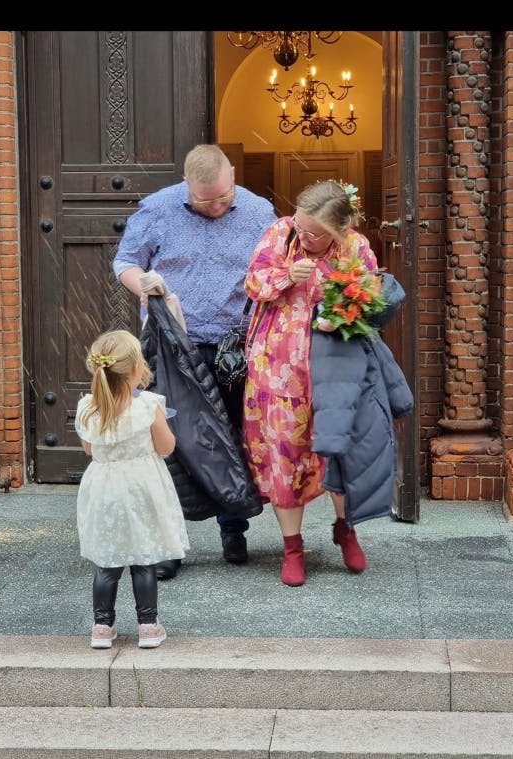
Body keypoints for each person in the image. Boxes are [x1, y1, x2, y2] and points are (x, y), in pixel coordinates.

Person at [113, 144, 277, 570]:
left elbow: (277, 270)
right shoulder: (157, 209)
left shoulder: (260, 212)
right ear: (186, 185)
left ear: (234, 175)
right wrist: (144, 283)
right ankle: (169, 543)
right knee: (170, 443)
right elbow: (125, 262)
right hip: (171, 346)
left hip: (234, 346)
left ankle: (233, 531)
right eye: (206, 200)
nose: (217, 206)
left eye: (224, 197)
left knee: (232, 435)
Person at [243, 179, 378, 587]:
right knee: (284, 454)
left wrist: (342, 300)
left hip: (334, 368)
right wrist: (286, 274)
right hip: (277, 368)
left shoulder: (355, 248)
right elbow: (252, 283)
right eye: (301, 226)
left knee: (337, 449)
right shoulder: (280, 234)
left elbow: (372, 301)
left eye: (314, 232)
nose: (304, 235)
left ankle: (345, 529)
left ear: (338, 231)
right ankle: (292, 547)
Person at [75, 330, 189, 648]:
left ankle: (102, 627)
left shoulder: (88, 408)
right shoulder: (148, 406)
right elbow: (166, 446)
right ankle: (148, 627)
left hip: (103, 488)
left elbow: (88, 448)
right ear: (136, 369)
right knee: (143, 557)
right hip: (142, 486)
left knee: (107, 560)